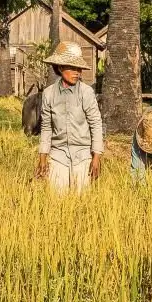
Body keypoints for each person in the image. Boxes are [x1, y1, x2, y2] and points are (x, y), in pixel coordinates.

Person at [35, 42, 103, 194]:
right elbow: (46, 127)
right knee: (57, 199)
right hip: (58, 154)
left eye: (78, 69)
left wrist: (96, 157)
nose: (76, 72)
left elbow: (95, 124)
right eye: (72, 68)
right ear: (60, 67)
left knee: (82, 199)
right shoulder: (49, 94)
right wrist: (43, 158)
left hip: (83, 154)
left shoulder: (86, 93)